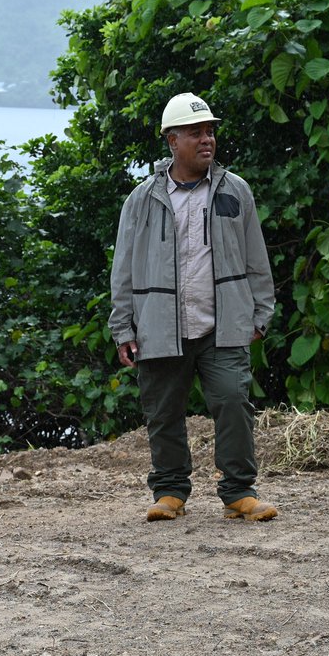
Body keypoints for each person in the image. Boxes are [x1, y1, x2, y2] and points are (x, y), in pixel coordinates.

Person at [109, 93, 277, 523]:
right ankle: (169, 492)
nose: (207, 140)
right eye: (196, 132)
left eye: (210, 131)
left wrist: (261, 312)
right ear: (172, 140)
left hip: (223, 325)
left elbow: (256, 257)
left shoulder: (235, 190)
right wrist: (123, 327)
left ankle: (239, 493)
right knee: (162, 412)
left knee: (234, 401)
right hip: (160, 326)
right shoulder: (142, 199)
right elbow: (124, 267)